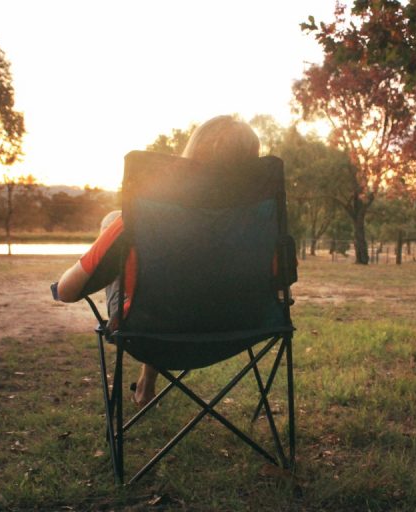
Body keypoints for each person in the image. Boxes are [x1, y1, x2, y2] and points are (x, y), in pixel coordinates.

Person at [55, 115, 261, 406]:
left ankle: (146, 381)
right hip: (239, 329)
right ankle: (146, 383)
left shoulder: (141, 218)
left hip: (152, 330)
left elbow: (66, 292)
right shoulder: (261, 222)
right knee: (176, 272)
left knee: (115, 221)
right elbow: (279, 285)